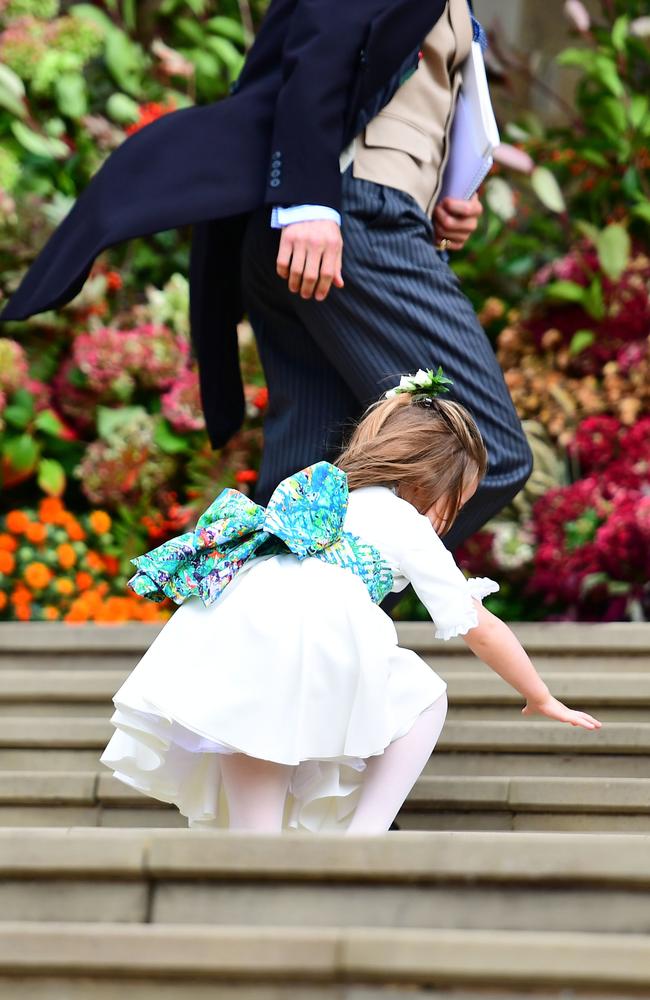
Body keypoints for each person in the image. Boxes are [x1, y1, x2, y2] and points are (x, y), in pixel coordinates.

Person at [0, 0, 532, 553]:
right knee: (479, 450)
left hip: (346, 223)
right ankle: (311, 615)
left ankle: (265, 628)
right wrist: (306, 200)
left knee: (307, 485)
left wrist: (440, 197)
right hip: (347, 223)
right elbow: (325, 32)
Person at [100, 370, 600, 834]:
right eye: (456, 502)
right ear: (430, 482)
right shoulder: (405, 522)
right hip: (314, 631)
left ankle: (253, 856)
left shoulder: (326, 497)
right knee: (423, 695)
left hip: (244, 618)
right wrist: (540, 695)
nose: (449, 520)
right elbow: (480, 626)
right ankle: (364, 837)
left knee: (250, 732)